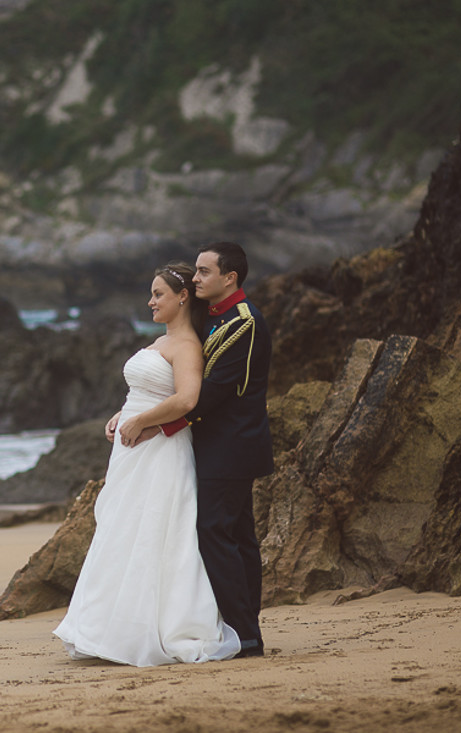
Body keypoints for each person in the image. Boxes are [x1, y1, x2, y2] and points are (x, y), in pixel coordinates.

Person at [52, 263, 241, 666]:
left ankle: (149, 629)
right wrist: (124, 414)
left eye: (158, 294)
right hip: (132, 449)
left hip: (161, 451)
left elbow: (188, 399)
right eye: (151, 294)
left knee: (154, 531)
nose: (151, 301)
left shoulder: (187, 345)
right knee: (121, 528)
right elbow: (149, 390)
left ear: (182, 297)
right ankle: (103, 627)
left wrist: (141, 420)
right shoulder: (162, 340)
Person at [149, 242, 274, 658]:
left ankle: (244, 632)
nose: (196, 278)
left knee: (215, 532)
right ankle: (246, 629)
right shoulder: (214, 317)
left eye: (204, 272)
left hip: (233, 444)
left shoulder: (245, 322)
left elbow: (218, 389)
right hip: (217, 443)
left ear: (229, 277)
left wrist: (162, 423)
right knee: (236, 534)